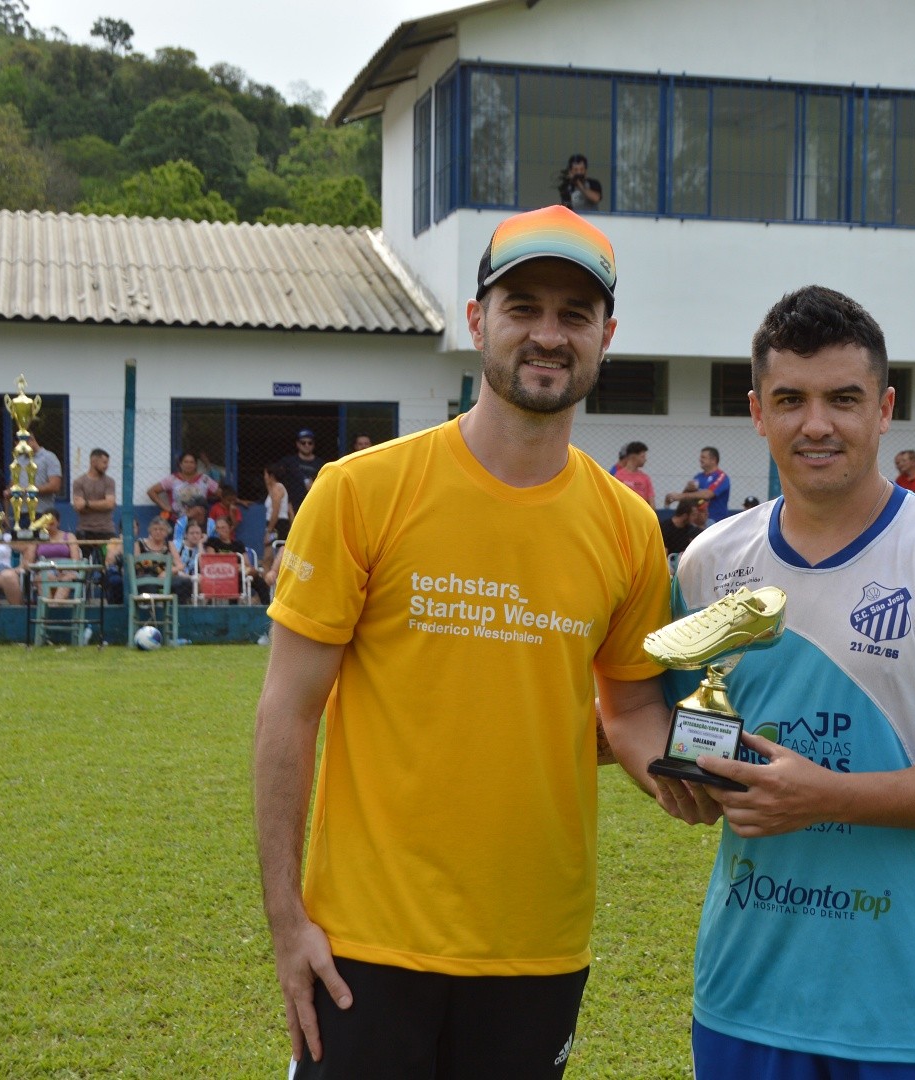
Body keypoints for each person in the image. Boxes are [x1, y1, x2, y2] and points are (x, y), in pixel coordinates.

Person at [253, 204, 678, 1079]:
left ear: (607, 335)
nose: (548, 334)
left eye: (574, 314)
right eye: (523, 306)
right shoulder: (361, 493)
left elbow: (634, 709)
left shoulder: (629, 529)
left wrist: (709, 771)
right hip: (365, 944)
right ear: (479, 320)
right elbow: (287, 714)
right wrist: (288, 921)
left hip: (537, 950)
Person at [610, 285, 915, 1077]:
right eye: (791, 400)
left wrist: (823, 796)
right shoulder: (710, 562)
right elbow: (651, 717)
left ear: (883, 409)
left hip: (912, 1010)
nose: (817, 424)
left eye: (843, 398)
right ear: (757, 411)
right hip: (746, 997)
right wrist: (667, 777)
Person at [147, 451, 220, 524]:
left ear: (196, 465)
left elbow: (220, 494)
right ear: (180, 464)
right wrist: (166, 507)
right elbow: (151, 492)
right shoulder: (172, 479)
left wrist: (208, 501)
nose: (189, 465)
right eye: (186, 462)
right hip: (178, 521)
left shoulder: (204, 479)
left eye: (192, 462)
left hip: (199, 522)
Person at [71, 448, 118, 558]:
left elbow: (110, 503)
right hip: (84, 529)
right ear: (93, 461)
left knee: (109, 561)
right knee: (84, 562)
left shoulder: (109, 481)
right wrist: (102, 504)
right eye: (104, 462)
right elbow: (78, 506)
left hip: (106, 530)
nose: (107, 466)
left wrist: (86, 504)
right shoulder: (79, 482)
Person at [665, 446, 732, 521]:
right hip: (696, 520)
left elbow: (707, 494)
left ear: (713, 460)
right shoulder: (698, 476)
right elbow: (688, 497)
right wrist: (687, 489)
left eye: (703, 457)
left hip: (715, 520)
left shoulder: (721, 476)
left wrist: (680, 496)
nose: (700, 460)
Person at [276, 430, 325, 512]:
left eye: (310, 443)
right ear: (297, 444)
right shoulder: (288, 462)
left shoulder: (320, 463)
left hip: (313, 504)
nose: (306, 445)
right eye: (303, 443)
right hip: (293, 506)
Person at [21, 430, 64, 518]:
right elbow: (13, 485)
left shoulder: (49, 457)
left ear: (31, 440)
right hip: (21, 512)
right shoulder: (19, 460)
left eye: (23, 446)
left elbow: (55, 486)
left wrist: (30, 489)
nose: (21, 449)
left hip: (42, 512)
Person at [263, 464, 293, 544]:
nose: (264, 477)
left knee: (272, 551)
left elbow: (275, 511)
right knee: (269, 552)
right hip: (276, 524)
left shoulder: (277, 488)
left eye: (265, 474)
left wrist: (269, 530)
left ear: (271, 476)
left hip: (277, 525)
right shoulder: (274, 489)